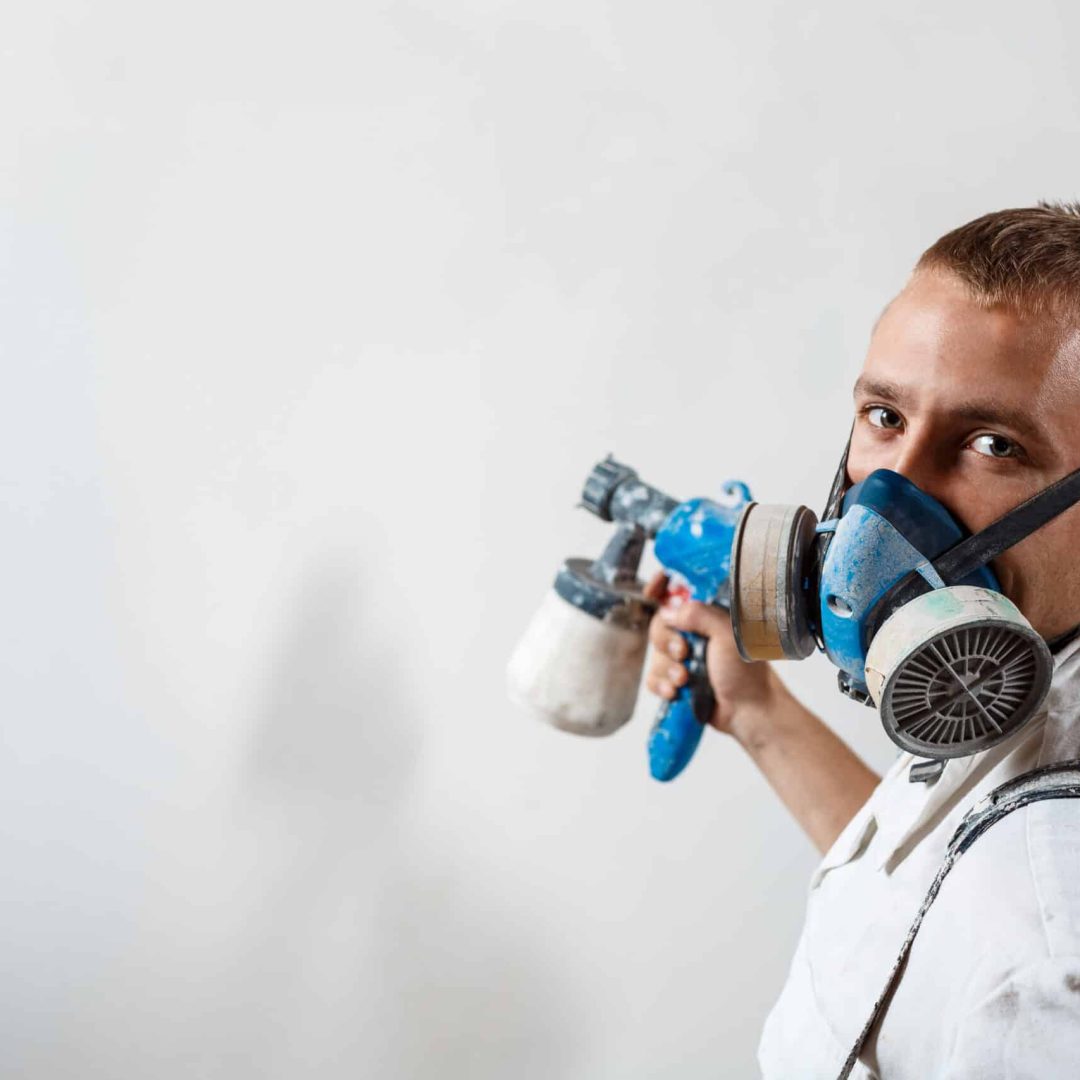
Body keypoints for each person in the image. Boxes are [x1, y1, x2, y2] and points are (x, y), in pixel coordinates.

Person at [644, 203, 1080, 1078]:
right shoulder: (1033, 690)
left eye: (993, 444)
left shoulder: (1053, 941)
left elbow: (1011, 915)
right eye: (884, 417)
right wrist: (759, 712)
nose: (890, 495)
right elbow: (933, 905)